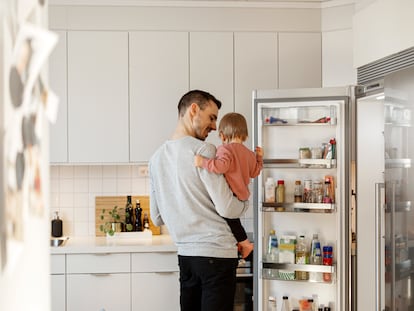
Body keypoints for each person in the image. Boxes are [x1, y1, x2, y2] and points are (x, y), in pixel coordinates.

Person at [149, 90, 249, 311]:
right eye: (212, 117)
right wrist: (245, 201)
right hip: (217, 256)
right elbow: (227, 208)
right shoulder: (204, 151)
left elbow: (156, 218)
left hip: (187, 257)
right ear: (194, 109)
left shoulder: (156, 159)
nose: (215, 126)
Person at [194, 112, 263, 259]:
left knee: (224, 215)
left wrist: (203, 162)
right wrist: (259, 158)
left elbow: (221, 167)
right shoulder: (249, 154)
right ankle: (242, 243)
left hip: (232, 198)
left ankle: (246, 244)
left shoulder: (225, 150)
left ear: (223, 135)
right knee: (231, 220)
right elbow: (255, 172)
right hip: (243, 200)